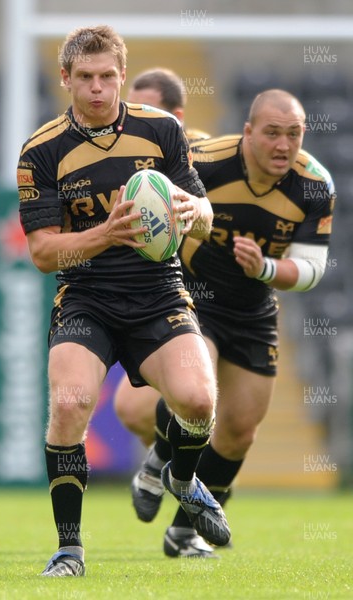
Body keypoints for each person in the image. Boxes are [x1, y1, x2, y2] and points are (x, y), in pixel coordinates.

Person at [17, 25, 230, 578]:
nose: (97, 89)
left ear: (121, 75)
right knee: (67, 406)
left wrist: (193, 214)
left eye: (107, 76)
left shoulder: (161, 129)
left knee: (199, 402)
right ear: (65, 79)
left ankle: (180, 479)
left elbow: (204, 219)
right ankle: (69, 549)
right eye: (84, 78)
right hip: (86, 296)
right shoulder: (40, 152)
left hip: (158, 291)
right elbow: (43, 253)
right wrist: (106, 235)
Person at [115, 88, 336, 559]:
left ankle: (182, 529)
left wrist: (266, 270)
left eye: (293, 134)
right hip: (194, 297)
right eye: (272, 133)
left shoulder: (315, 184)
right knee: (198, 390)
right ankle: (159, 463)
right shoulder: (204, 161)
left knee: (239, 431)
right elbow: (149, 199)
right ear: (248, 132)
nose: (283, 145)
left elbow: (313, 266)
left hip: (255, 310)